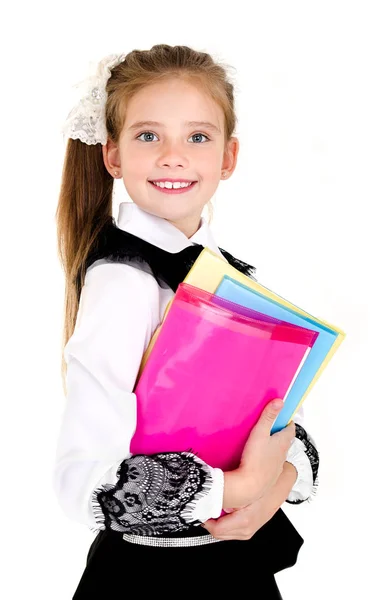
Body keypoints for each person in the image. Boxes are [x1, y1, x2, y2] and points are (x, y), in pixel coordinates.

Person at [53, 45, 319, 599]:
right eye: (149, 135)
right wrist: (242, 486)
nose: (174, 156)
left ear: (228, 156)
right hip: (150, 582)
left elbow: (275, 423)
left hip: (235, 567)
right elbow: (83, 482)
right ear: (113, 156)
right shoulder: (124, 282)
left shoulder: (227, 276)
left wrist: (272, 488)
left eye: (197, 136)